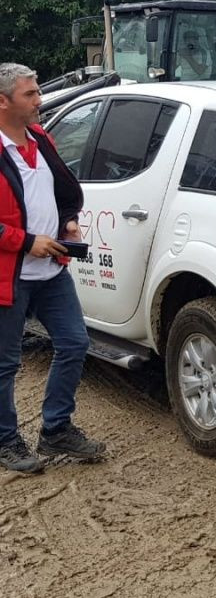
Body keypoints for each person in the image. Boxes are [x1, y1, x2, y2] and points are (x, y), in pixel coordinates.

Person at [0, 63, 105, 474]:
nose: (40, 101)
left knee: (76, 343)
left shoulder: (40, 139)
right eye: (30, 95)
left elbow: (62, 191)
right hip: (10, 277)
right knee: (6, 364)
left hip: (51, 270)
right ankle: (6, 441)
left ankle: (56, 429)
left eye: (38, 92)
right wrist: (26, 242)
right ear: (3, 101)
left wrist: (68, 220)